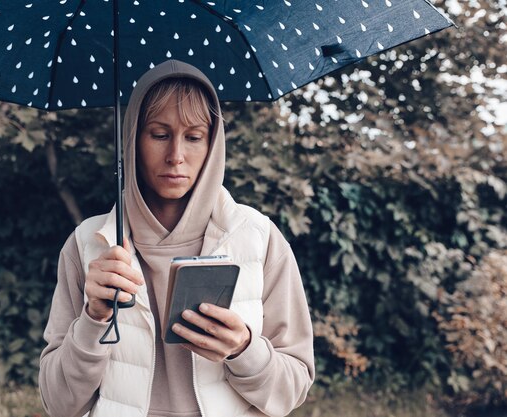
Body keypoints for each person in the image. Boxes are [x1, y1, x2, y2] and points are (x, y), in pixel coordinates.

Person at [39, 60, 315, 417]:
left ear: (213, 145)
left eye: (194, 137)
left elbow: (292, 389)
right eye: (159, 134)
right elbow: (57, 403)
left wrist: (244, 349)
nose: (176, 156)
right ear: (132, 140)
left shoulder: (259, 238)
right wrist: (93, 317)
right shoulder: (86, 246)